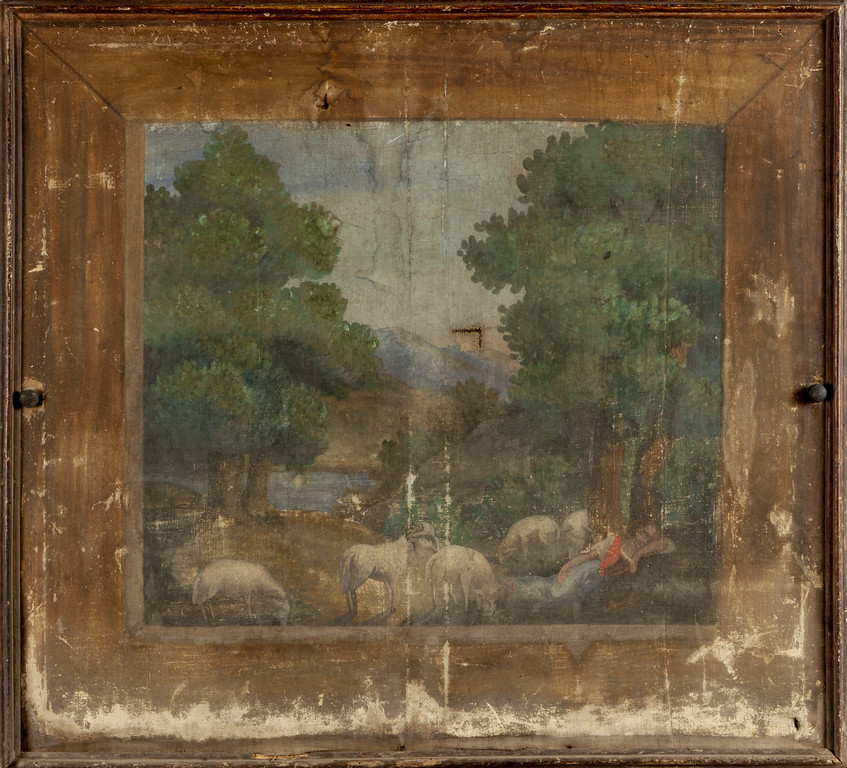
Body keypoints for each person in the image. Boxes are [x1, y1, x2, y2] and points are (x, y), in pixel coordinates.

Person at [503, 523, 674, 610]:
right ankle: (515, 586)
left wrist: (639, 554)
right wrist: (566, 567)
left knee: (560, 594)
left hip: (596, 583)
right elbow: (588, 556)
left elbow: (669, 545)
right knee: (557, 590)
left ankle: (517, 590)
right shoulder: (615, 541)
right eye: (643, 534)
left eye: (649, 538)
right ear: (637, 532)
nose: (644, 539)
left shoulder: (643, 554)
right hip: (589, 570)